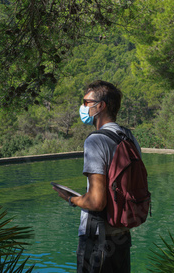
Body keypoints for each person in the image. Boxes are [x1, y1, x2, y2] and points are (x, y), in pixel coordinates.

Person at [53, 80, 141, 273]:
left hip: (97, 238)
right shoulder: (129, 137)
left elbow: (96, 202)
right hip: (122, 235)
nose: (83, 107)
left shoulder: (96, 140)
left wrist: (70, 198)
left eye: (86, 102)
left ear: (100, 106)